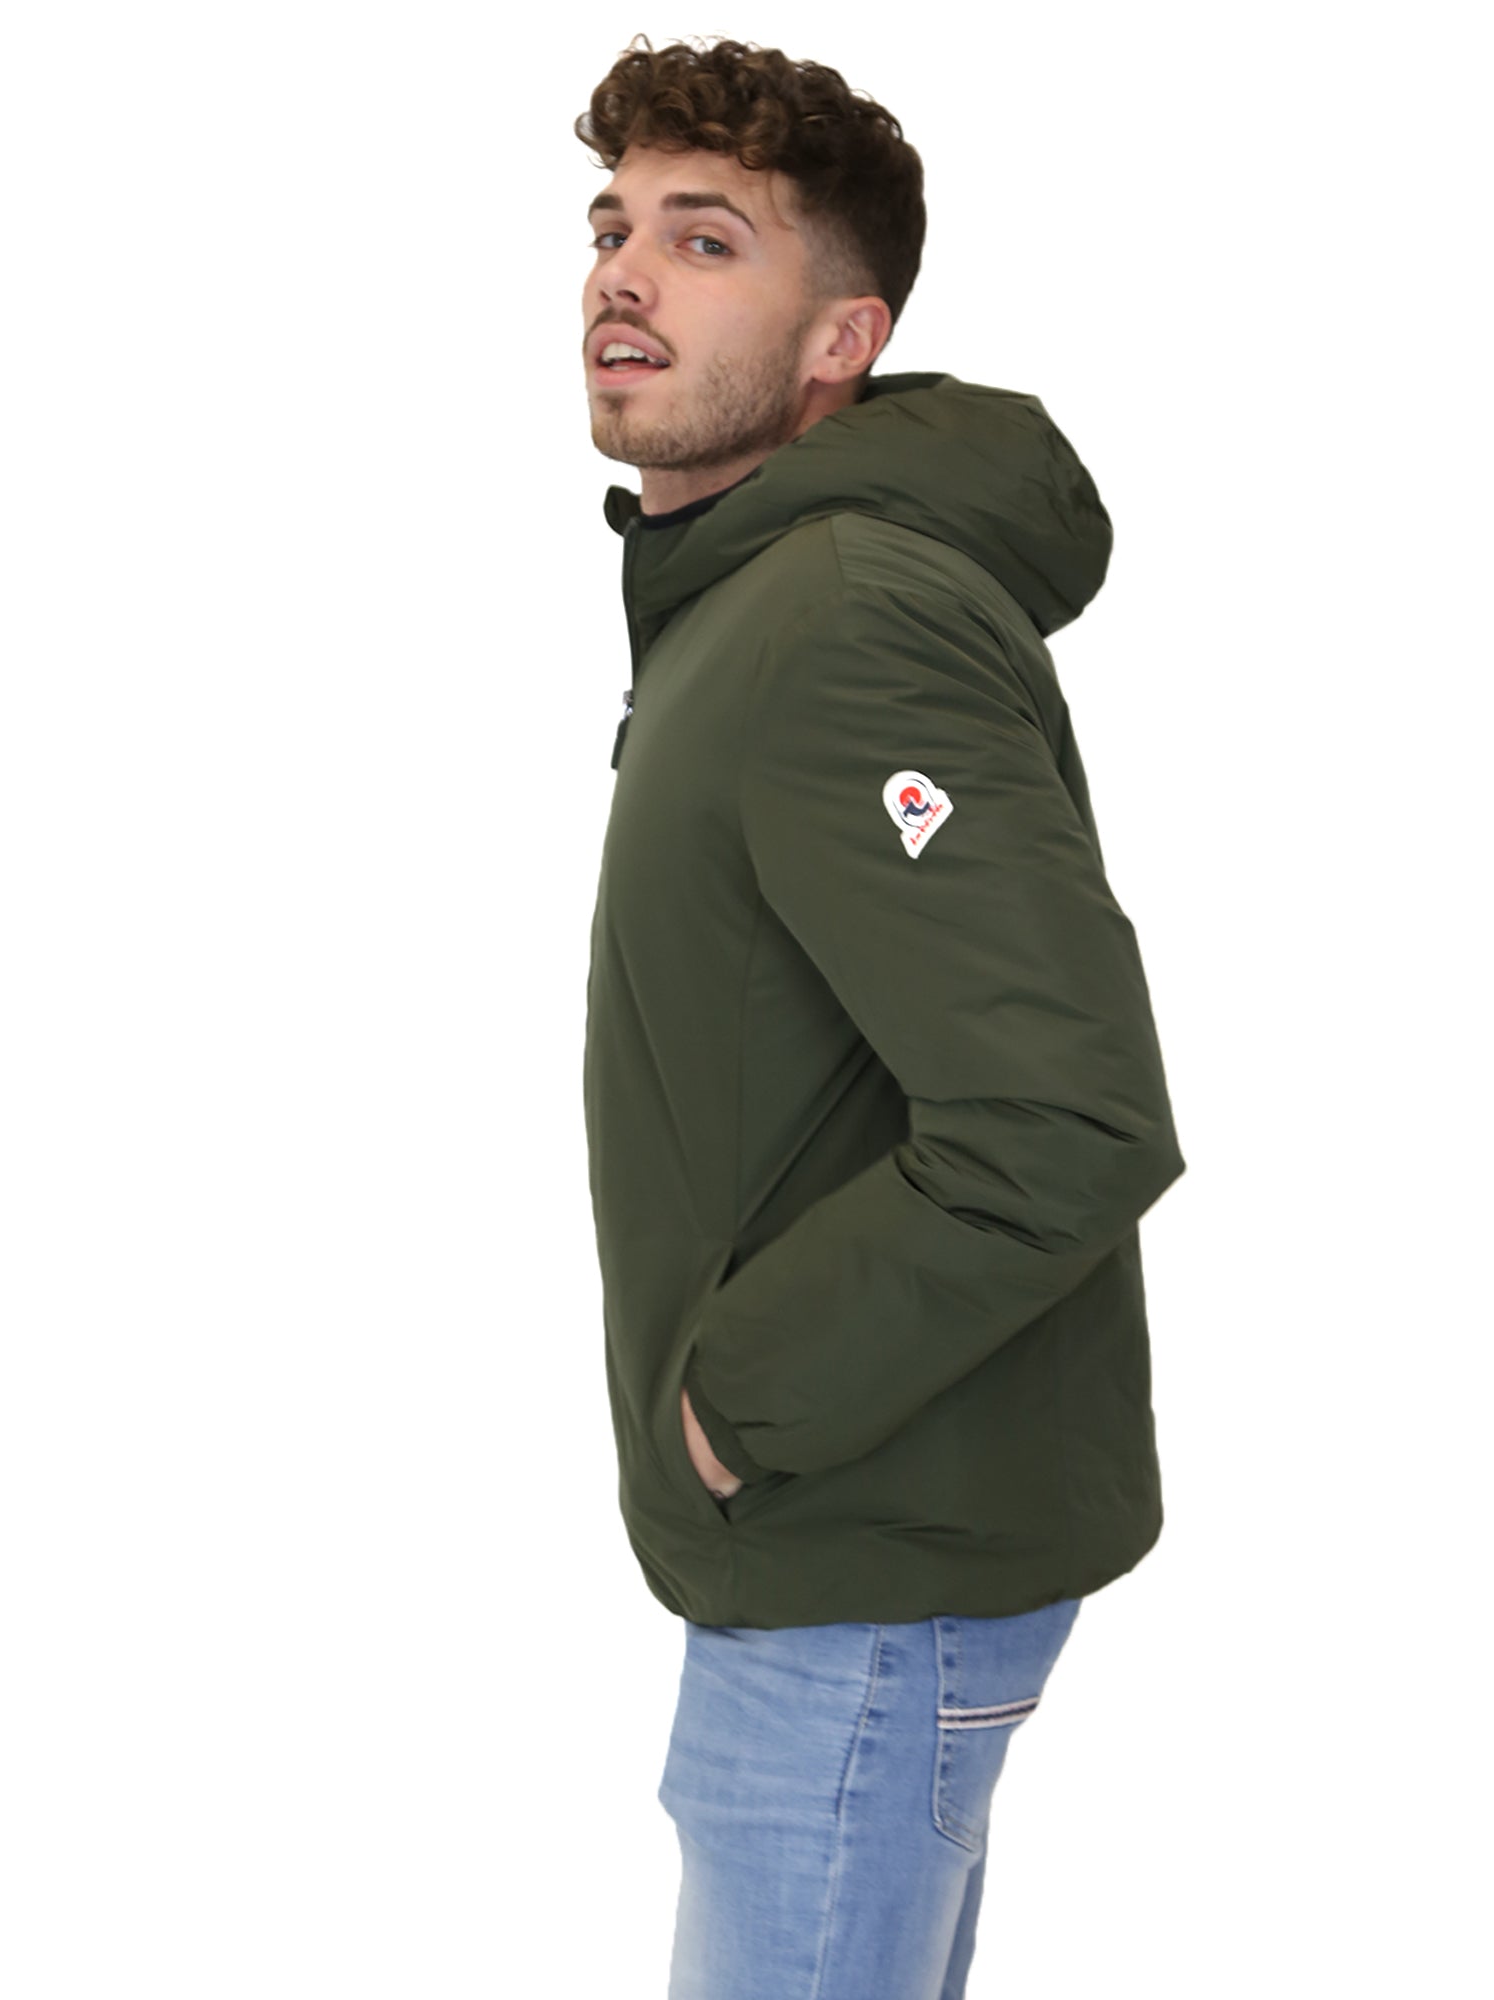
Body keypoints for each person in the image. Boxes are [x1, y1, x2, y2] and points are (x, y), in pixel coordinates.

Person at [575, 34, 1185, 2000]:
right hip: (856, 1556)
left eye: (705, 240)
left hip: (857, 1568)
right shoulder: (749, 596)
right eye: (611, 226)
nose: (623, 275)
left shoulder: (842, 616)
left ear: (845, 339)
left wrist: (732, 1409)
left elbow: (1066, 1115)